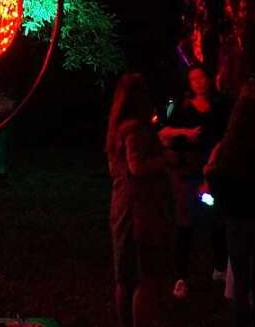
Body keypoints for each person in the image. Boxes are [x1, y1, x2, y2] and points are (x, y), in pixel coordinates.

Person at [205, 78, 255, 327]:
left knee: (239, 281)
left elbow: (217, 181)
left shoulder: (229, 147)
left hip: (237, 221)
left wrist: (212, 175)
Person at [158, 64, 230, 298]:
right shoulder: (180, 104)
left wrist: (214, 160)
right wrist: (185, 133)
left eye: (201, 77)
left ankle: (219, 267)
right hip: (186, 171)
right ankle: (181, 276)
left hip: (211, 168)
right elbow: (162, 132)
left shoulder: (220, 105)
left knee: (215, 216)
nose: (198, 82)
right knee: (184, 221)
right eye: (193, 78)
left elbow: (225, 136)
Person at [108, 73, 171, 327]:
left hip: (121, 205)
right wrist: (164, 159)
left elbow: (117, 169)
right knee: (145, 276)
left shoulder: (115, 130)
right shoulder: (135, 129)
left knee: (124, 277)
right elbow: (136, 166)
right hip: (138, 210)